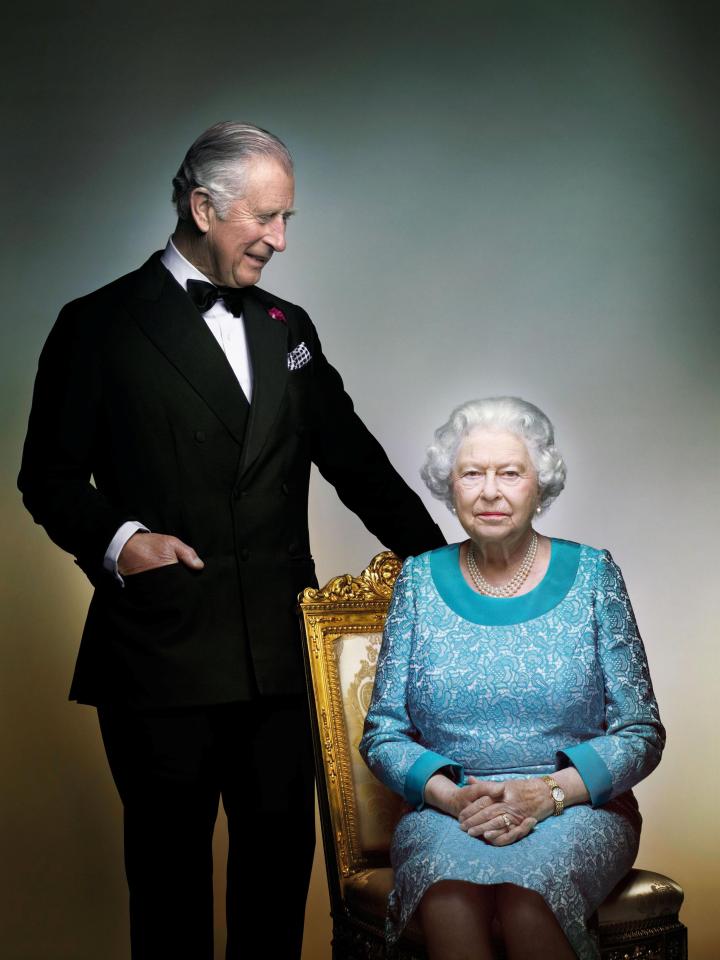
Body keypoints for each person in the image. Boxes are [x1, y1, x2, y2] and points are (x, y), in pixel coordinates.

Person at [18, 121, 445, 960]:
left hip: (281, 663)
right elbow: (49, 478)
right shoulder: (96, 325)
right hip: (160, 653)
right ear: (203, 205)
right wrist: (121, 539)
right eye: (265, 218)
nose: (280, 240)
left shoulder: (289, 324)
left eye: (289, 219)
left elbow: (356, 462)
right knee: (170, 891)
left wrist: (443, 568)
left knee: (278, 888)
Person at [359, 396, 664, 960]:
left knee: (528, 895)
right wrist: (452, 798)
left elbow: (641, 732)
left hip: (577, 809)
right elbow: (382, 734)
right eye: (471, 473)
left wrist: (550, 794)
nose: (490, 491)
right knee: (450, 889)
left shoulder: (594, 575)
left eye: (510, 472)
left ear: (539, 486)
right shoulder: (418, 581)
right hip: (450, 808)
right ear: (449, 486)